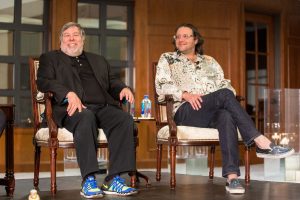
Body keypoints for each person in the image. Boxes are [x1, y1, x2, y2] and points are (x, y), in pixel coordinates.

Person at [155, 23, 294, 194]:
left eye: (186, 36)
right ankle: (260, 141)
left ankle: (232, 177)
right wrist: (185, 94)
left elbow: (224, 85)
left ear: (196, 39)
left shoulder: (210, 62)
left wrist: (219, 98)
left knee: (226, 115)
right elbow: (161, 85)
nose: (181, 39)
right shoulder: (167, 59)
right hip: (184, 110)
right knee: (224, 95)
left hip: (210, 110)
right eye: (178, 36)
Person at [37, 22, 137, 198]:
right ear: (61, 40)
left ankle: (113, 180)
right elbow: (44, 81)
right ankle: (88, 180)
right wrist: (68, 93)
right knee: (86, 116)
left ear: (82, 39)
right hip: (71, 109)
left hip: (102, 107)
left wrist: (123, 88)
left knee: (124, 119)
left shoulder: (98, 60)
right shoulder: (50, 58)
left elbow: (112, 80)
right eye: (67, 35)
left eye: (75, 35)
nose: (71, 38)